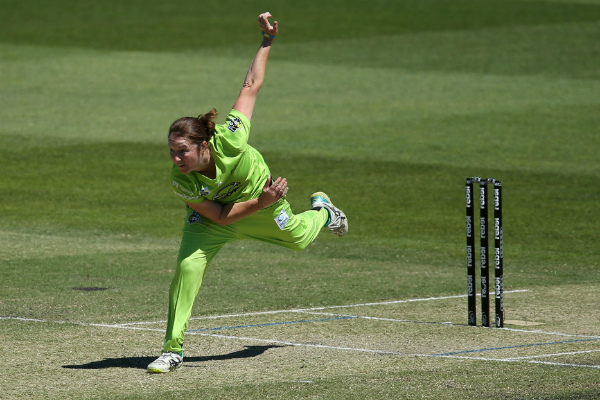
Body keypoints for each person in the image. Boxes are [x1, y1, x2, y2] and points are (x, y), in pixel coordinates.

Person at [147, 12, 348, 373]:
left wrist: (267, 40)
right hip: (217, 218)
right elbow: (221, 217)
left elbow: (250, 86)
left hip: (263, 203)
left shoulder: (231, 137)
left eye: (183, 151)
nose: (176, 158)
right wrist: (261, 201)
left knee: (300, 240)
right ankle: (172, 350)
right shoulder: (182, 180)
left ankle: (324, 212)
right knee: (187, 267)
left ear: (204, 144)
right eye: (172, 151)